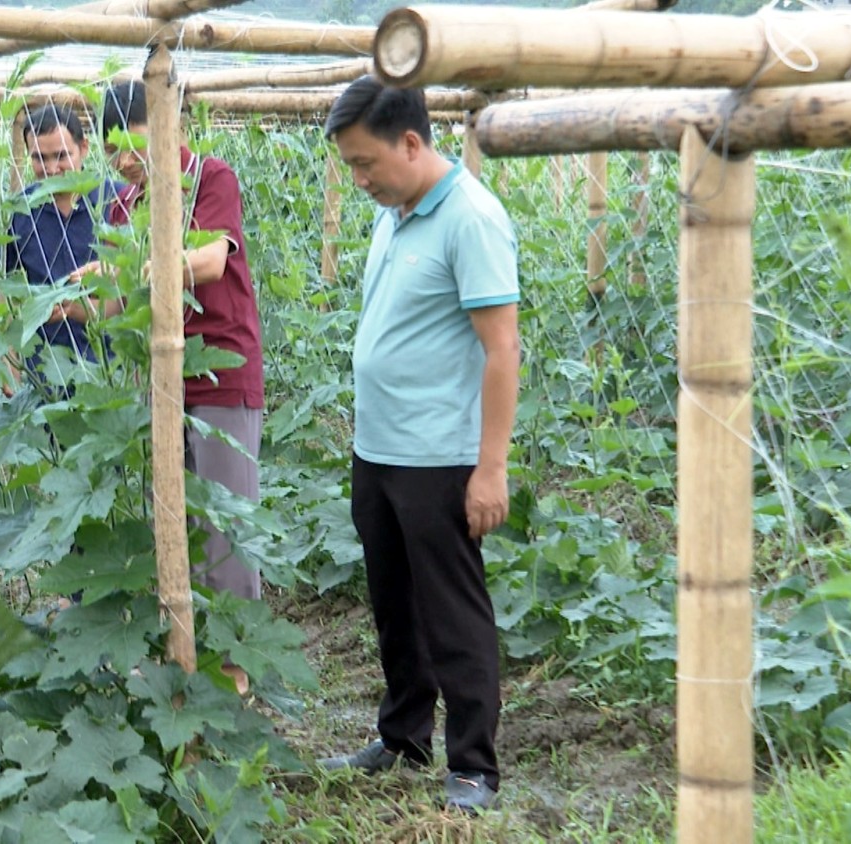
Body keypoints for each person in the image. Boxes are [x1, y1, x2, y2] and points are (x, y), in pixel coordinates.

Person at [317, 76, 520, 814]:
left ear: (412, 142)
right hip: (379, 448)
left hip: (440, 455)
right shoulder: (395, 213)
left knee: (451, 609)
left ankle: (474, 765)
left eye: (367, 163)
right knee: (393, 603)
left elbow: (502, 349)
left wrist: (489, 469)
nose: (360, 180)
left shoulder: (470, 217)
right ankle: (404, 737)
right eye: (351, 168)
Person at [94, 80, 266, 693]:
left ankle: (237, 675)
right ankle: (185, 666)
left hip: (219, 373)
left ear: (167, 128)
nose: (123, 161)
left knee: (223, 526)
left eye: (131, 143)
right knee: (172, 524)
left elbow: (213, 261)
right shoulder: (122, 206)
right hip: (159, 380)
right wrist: (90, 292)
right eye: (112, 150)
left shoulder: (209, 179)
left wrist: (146, 263)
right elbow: (116, 306)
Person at [3, 103, 122, 393]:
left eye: (61, 156)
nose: (51, 169)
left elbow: (137, 293)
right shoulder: (21, 210)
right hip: (43, 376)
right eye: (39, 158)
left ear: (84, 148)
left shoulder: (118, 200)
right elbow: (9, 296)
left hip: (111, 373)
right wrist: (9, 370)